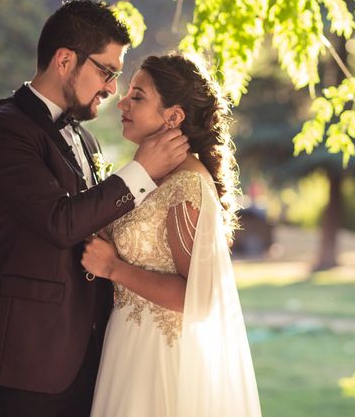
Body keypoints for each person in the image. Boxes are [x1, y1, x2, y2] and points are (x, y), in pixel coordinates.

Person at [0, 0, 189, 416]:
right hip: (19, 364)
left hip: (87, 360)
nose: (112, 88)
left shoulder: (86, 140)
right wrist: (141, 171)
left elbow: (92, 224)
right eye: (106, 71)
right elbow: (59, 221)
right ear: (65, 60)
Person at [81, 53, 262, 416]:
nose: (123, 101)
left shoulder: (185, 187)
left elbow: (197, 295)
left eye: (138, 96)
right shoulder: (149, 175)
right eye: (128, 92)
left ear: (173, 116)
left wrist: (113, 268)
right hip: (128, 345)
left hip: (159, 357)